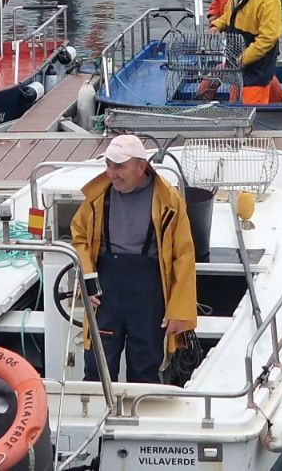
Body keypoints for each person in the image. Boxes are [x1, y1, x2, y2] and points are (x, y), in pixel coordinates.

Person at [68, 134, 196, 384]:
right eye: (109, 165)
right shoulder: (96, 197)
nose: (113, 173)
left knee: (145, 369)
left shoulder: (169, 201)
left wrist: (179, 311)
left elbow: (183, 256)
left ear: (141, 166)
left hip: (148, 298)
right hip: (106, 295)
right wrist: (87, 281)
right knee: (97, 368)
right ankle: (95, 416)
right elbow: (80, 238)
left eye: (120, 166)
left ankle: (144, 420)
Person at [209, 0, 282, 104]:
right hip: (236, 56)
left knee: (251, 108)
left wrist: (245, 58)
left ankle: (258, 123)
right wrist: (217, 25)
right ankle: (277, 101)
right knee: (235, 95)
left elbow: (268, 38)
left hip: (257, 62)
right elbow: (229, 16)